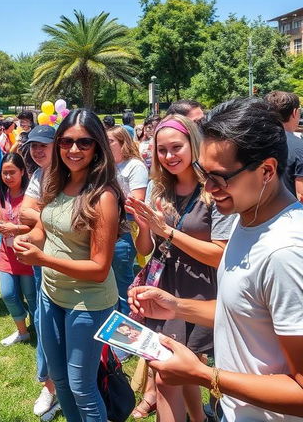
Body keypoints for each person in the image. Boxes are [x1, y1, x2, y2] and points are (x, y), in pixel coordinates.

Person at [129, 97, 303, 421]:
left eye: (220, 178)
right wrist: (177, 306)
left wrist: (203, 375)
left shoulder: (286, 253)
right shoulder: (246, 218)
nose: (208, 187)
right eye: (203, 173)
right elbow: (243, 313)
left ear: (267, 170)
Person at [125, 114, 235, 422]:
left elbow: (219, 255)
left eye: (176, 147)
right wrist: (144, 224)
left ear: (193, 144)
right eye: (162, 150)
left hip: (202, 290)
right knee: (176, 369)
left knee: (170, 374)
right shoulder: (157, 187)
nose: (169, 156)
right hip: (165, 285)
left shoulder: (214, 191)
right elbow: (145, 250)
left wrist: (168, 231)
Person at [14, 109, 122, 422]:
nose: (73, 150)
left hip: (87, 303)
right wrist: (30, 241)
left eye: (84, 143)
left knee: (82, 386)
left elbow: (100, 267)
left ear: (98, 146)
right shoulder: (56, 182)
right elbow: (44, 228)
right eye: (66, 142)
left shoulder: (103, 196)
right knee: (60, 381)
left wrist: (43, 259)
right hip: (51, 295)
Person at [18, 124, 59, 418]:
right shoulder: (37, 175)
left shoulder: (70, 175)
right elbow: (24, 210)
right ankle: (49, 384)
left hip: (72, 263)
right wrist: (56, 212)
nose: (38, 150)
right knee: (45, 324)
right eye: (34, 145)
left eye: (44, 144)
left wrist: (42, 212)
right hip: (41, 256)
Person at [0, 153, 35, 346]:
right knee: (8, 294)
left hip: (27, 254)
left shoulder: (31, 196)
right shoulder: (1, 194)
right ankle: (22, 331)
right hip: (6, 254)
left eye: (12, 173)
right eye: (4, 173)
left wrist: (15, 228)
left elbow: (39, 225)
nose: (8, 177)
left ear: (22, 172)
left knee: (32, 297)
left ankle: (39, 329)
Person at [107, 126, 148, 313]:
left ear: (123, 143)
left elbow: (137, 200)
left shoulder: (135, 166)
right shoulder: (107, 166)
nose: (105, 145)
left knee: (123, 281)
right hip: (107, 228)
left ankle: (128, 324)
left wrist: (106, 205)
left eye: (110, 141)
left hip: (125, 230)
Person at [264, 91, 303, 200]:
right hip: (289, 212)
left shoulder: (252, 141)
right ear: (295, 113)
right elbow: (301, 195)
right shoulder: (300, 147)